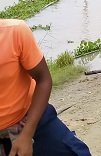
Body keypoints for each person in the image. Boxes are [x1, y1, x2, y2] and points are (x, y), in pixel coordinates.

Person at [0, 19, 91, 156]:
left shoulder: (15, 32)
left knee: (77, 153)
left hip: (30, 118)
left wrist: (26, 135)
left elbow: (43, 80)